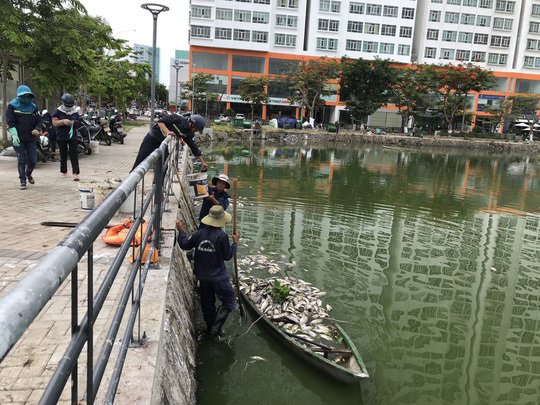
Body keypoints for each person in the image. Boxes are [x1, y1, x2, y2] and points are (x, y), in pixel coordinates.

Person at [176, 205, 240, 337]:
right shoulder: (222, 236)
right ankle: (215, 330)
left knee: (207, 303)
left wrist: (181, 231)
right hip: (218, 277)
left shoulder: (199, 234)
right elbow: (228, 256)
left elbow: (185, 245)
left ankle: (209, 328)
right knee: (229, 300)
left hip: (202, 276)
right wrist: (235, 243)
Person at [131, 113, 208, 172]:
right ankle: (130, 182)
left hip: (162, 143)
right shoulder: (177, 119)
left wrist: (202, 162)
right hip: (152, 138)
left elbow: (193, 146)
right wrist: (168, 132)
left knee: (164, 166)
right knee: (140, 161)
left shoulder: (188, 133)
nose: (196, 131)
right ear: (192, 124)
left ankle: (159, 189)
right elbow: (160, 122)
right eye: (196, 129)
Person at [5, 85, 42, 190]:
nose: (26, 97)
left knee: (33, 159)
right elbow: (10, 122)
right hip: (18, 138)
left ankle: (28, 173)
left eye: (28, 95)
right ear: (19, 96)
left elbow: (39, 121)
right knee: (21, 159)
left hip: (31, 138)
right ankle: (22, 181)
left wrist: (37, 129)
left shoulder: (33, 107)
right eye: (24, 95)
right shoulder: (12, 106)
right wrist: (14, 135)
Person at [52, 93, 81, 181]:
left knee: (74, 154)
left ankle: (75, 173)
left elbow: (79, 122)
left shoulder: (75, 111)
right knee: (63, 153)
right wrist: (63, 122)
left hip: (72, 136)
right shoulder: (58, 111)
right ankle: (64, 171)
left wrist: (73, 122)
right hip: (61, 136)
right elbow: (54, 122)